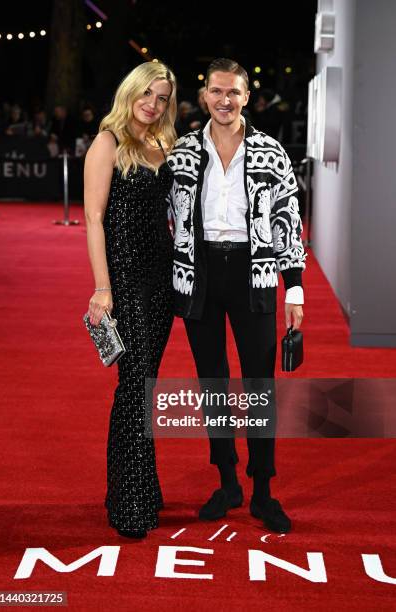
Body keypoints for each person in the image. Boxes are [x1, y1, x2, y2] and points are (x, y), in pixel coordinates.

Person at [167, 58, 306, 533]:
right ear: (204, 95)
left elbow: (289, 221)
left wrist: (297, 289)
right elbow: (165, 218)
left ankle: (263, 489)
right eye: (216, 91)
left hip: (255, 273)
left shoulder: (271, 152)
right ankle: (227, 481)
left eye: (233, 92)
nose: (224, 100)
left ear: (247, 96)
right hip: (200, 273)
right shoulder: (182, 152)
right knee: (212, 382)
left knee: (259, 385)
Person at [84, 61, 177, 539]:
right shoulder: (109, 141)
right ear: (131, 92)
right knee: (134, 384)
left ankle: (142, 487)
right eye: (147, 94)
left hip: (163, 278)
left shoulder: (165, 142)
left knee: (145, 383)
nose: (153, 104)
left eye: (162, 98)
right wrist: (104, 287)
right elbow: (95, 218)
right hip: (126, 278)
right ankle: (130, 501)